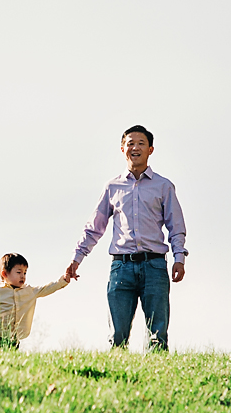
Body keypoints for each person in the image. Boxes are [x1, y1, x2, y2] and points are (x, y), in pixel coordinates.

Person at [65, 125, 187, 351]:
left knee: (157, 334)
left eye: (141, 143)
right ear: (122, 149)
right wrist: (77, 257)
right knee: (118, 334)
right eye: (130, 143)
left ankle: (158, 380)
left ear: (151, 149)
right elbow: (95, 227)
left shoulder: (164, 186)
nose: (135, 147)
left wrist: (179, 258)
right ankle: (117, 379)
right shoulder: (112, 187)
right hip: (121, 267)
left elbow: (176, 227)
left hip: (155, 266)